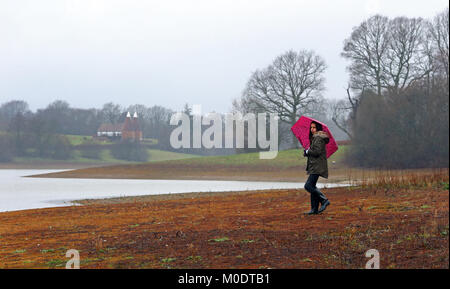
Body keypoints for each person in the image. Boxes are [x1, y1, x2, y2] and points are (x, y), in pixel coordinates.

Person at [303, 121, 331, 215]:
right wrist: (307, 152)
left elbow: (317, 152)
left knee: (308, 186)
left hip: (317, 166)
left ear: (318, 129)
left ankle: (324, 200)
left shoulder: (318, 138)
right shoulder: (315, 138)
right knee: (312, 186)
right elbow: (314, 151)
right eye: (311, 127)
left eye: (314, 127)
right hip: (315, 165)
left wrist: (308, 152)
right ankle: (314, 209)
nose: (312, 129)